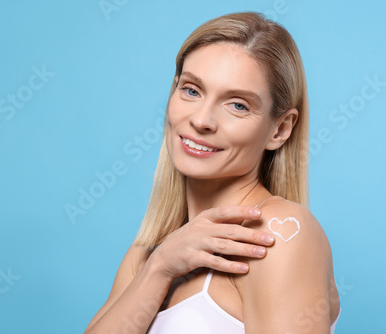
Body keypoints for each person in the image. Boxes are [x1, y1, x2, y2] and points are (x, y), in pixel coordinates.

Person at [85, 12, 341, 333]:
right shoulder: (147, 256)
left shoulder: (278, 236)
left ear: (280, 129)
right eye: (191, 90)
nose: (202, 120)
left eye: (237, 105)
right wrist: (160, 268)